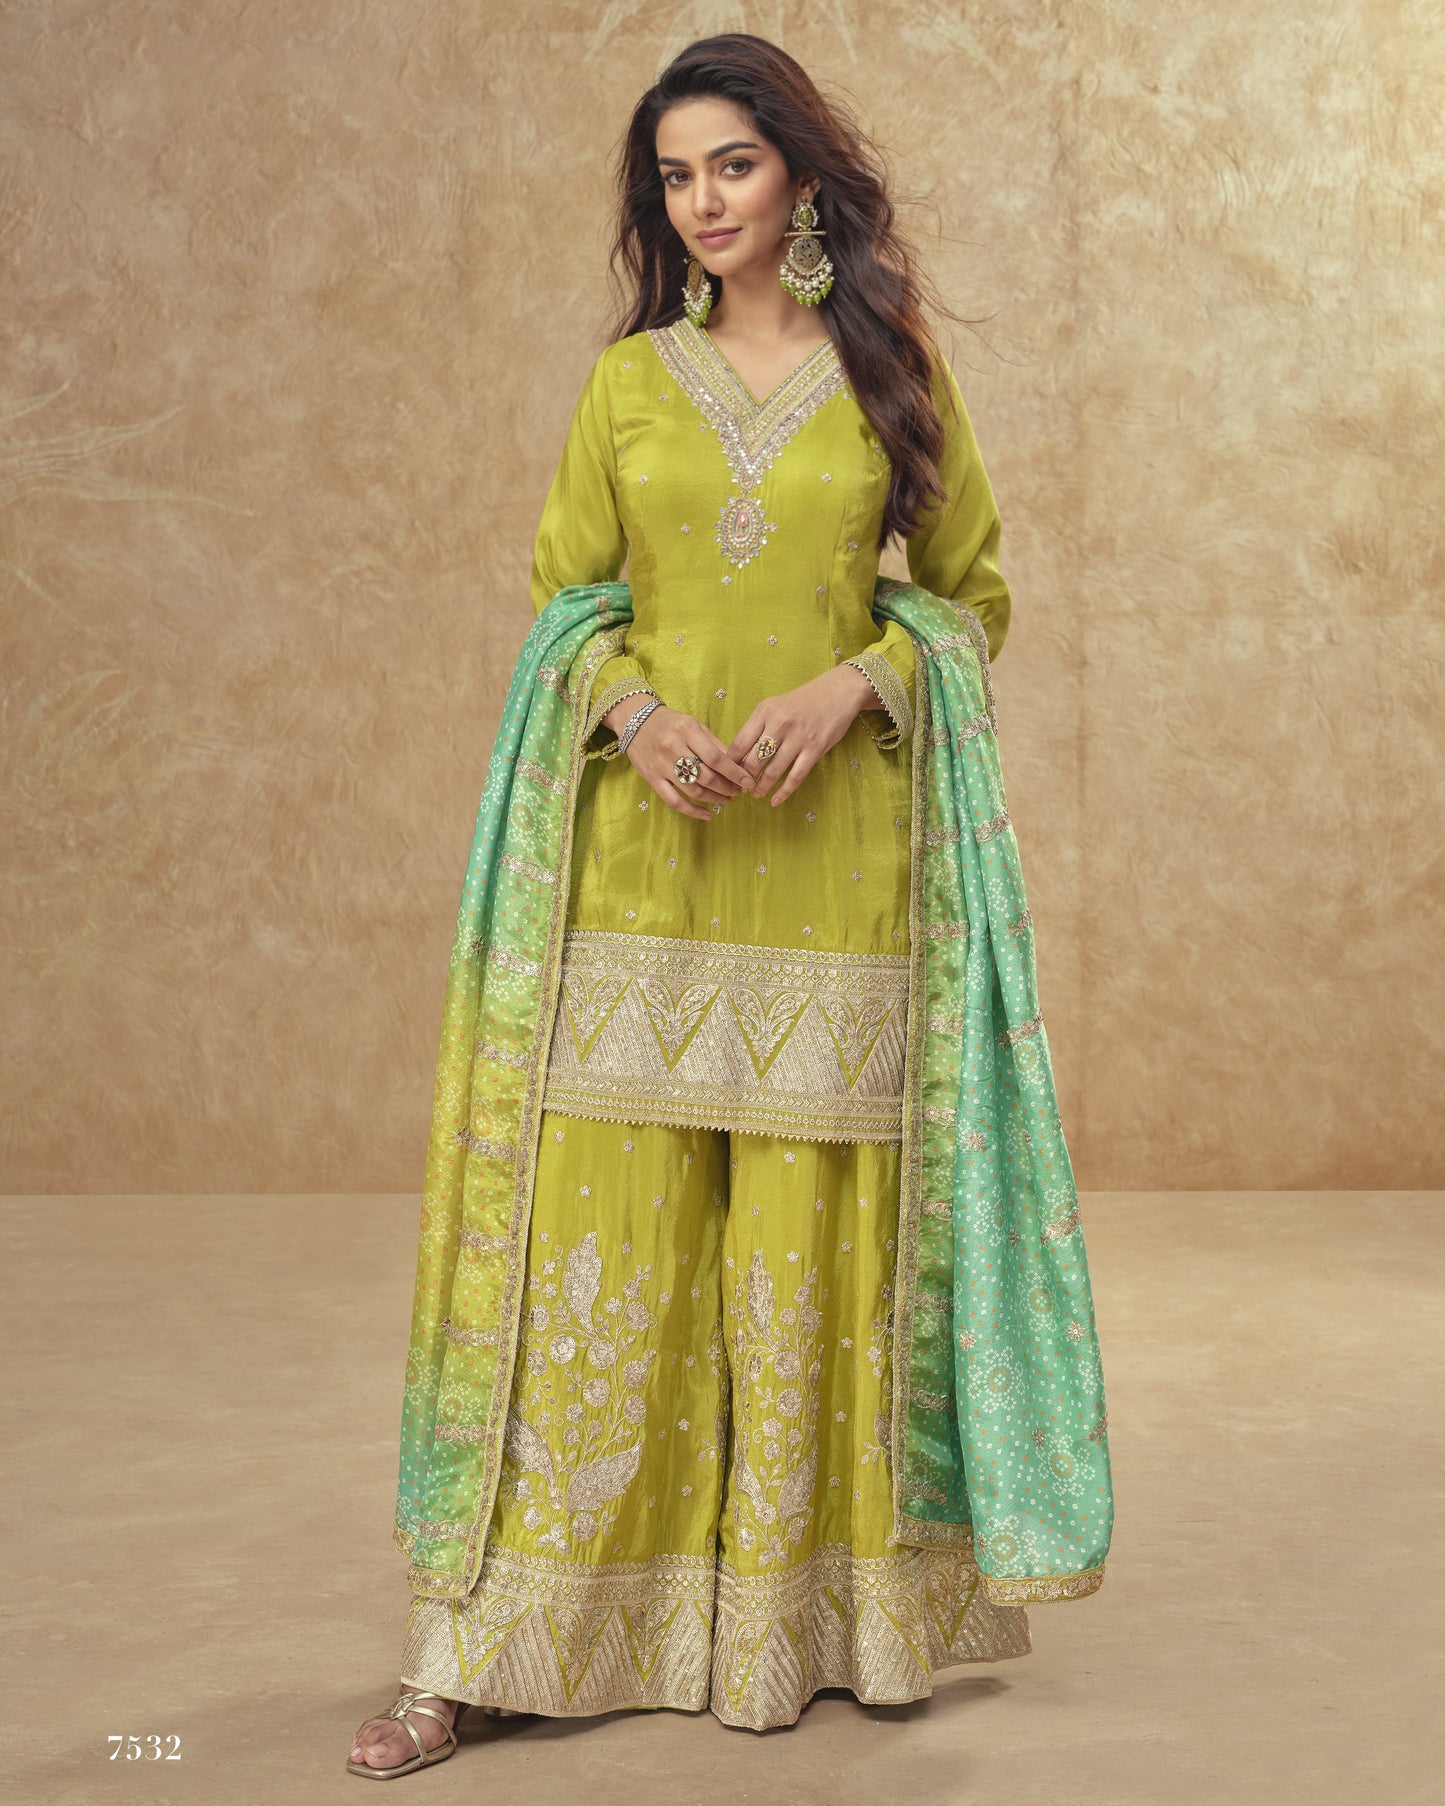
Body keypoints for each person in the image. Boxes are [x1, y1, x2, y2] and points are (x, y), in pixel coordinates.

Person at [348, 30, 1112, 1780]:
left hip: (834, 883)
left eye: (732, 167)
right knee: (592, 1264)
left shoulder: (889, 366)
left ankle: (780, 1628)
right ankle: (483, 1642)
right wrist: (634, 710)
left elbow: (971, 599)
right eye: (676, 176)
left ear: (799, 175)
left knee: (796, 1261)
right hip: (640, 872)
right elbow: (563, 607)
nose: (702, 203)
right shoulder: (628, 389)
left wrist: (854, 686)